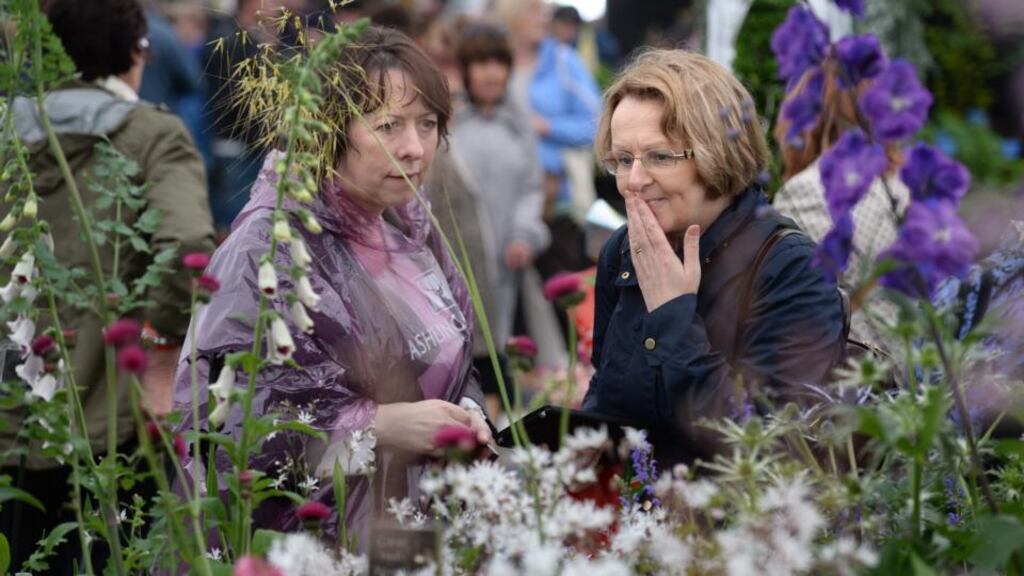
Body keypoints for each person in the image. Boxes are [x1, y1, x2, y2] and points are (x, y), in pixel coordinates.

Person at [174, 25, 492, 543]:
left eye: (428, 124)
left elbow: (453, 356)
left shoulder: (406, 223)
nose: (413, 148)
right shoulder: (269, 248)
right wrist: (380, 426)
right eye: (388, 125)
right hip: (318, 541)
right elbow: (235, 430)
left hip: (419, 527)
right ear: (328, 128)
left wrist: (469, 412)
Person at [0, 0, 216, 571]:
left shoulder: (6, 134)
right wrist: (160, 348)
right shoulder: (152, 135)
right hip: (115, 420)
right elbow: (188, 245)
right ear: (132, 55)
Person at [581, 50, 846, 464]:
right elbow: (609, 392)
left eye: (659, 156)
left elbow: (774, 448)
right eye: (622, 159)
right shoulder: (625, 250)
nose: (633, 180)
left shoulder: (791, 268)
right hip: (633, 517)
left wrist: (673, 315)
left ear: (716, 152)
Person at [771, 54, 909, 352]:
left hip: (863, 380)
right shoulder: (909, 183)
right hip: (928, 373)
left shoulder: (803, 194)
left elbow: (791, 313)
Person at [446, 23, 548, 418]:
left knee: (500, 346)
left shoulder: (519, 126)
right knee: (464, 350)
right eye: (480, 64)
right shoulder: (450, 126)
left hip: (507, 264)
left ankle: (503, 433)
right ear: (466, 70)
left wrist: (524, 234)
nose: (490, 73)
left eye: (497, 63)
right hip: (459, 263)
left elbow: (531, 187)